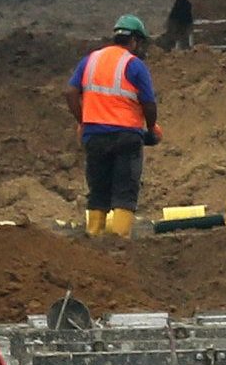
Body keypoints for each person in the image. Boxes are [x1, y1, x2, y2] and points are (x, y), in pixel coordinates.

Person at [68, 15, 160, 237]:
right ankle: (119, 239)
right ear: (135, 41)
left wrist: (83, 122)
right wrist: (151, 128)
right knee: (125, 191)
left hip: (94, 136)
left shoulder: (90, 60)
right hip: (126, 136)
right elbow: (148, 103)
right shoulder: (134, 65)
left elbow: (70, 93)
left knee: (98, 190)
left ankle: (93, 236)